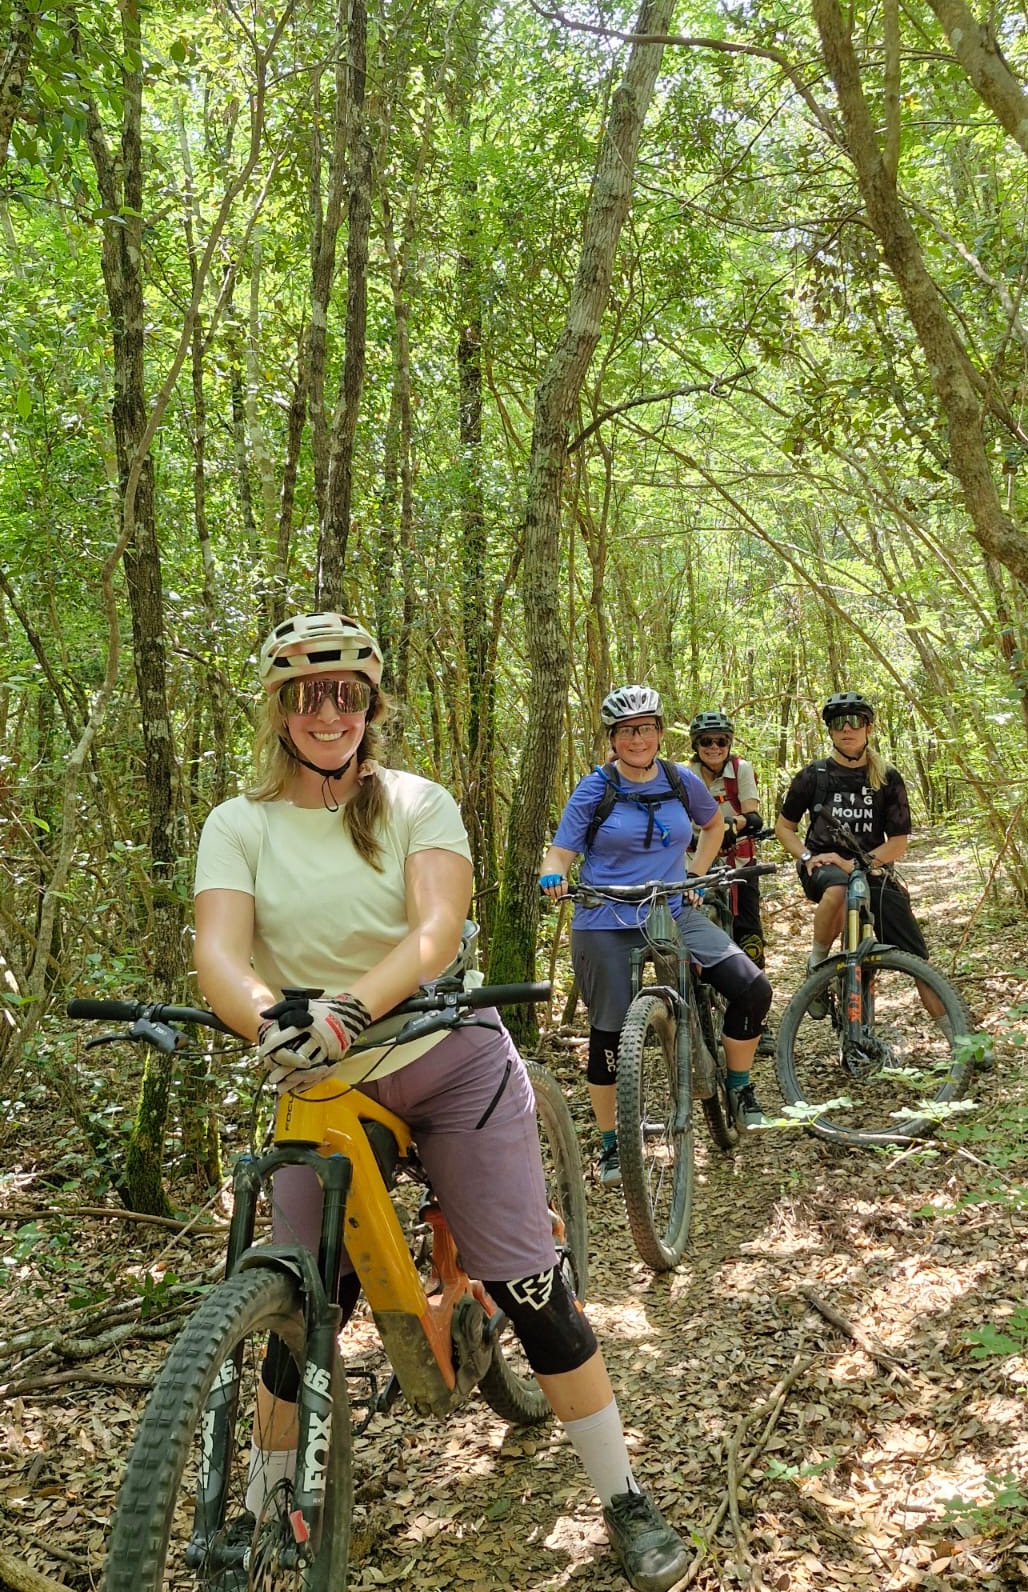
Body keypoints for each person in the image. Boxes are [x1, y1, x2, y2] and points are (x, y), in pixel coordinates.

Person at [192, 613, 688, 1592]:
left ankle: (623, 1496)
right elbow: (217, 949)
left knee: (530, 1285)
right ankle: (264, 1517)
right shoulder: (238, 822)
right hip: (319, 1080)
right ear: (279, 708)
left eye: (345, 693)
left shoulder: (419, 801)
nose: (327, 712)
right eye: (306, 693)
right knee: (298, 1309)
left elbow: (432, 931)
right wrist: (267, 1020)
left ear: (370, 705)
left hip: (443, 1052)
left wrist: (346, 1007)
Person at [539, 685, 773, 1182]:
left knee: (752, 987)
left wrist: (693, 877)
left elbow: (713, 827)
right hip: (604, 915)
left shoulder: (680, 779)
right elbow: (560, 852)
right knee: (608, 1032)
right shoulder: (594, 789)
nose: (637, 738)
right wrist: (553, 875)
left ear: (660, 734)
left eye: (645, 729)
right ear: (613, 738)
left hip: (671, 907)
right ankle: (611, 1143)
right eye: (627, 731)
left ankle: (739, 1085)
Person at [774, 689, 949, 1026]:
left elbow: (897, 842)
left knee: (919, 960)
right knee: (839, 889)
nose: (847, 729)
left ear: (868, 727)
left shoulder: (886, 777)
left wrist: (857, 864)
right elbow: (784, 827)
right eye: (839, 722)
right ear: (830, 730)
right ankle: (818, 964)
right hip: (824, 867)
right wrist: (807, 855)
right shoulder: (814, 776)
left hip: (872, 868)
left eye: (856, 721)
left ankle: (958, 1041)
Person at [684, 710, 767, 968]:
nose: (714, 747)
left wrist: (731, 824)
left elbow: (752, 815)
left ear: (729, 743)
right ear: (696, 745)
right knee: (689, 923)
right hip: (696, 860)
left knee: (748, 931)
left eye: (721, 741)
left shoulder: (741, 769)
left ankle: (753, 983)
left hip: (738, 859)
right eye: (706, 741)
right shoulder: (685, 775)